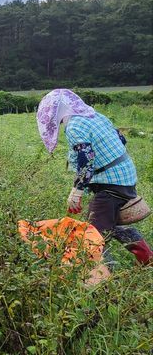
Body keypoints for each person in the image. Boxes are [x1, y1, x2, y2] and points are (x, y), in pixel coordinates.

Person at [37, 89, 151, 266]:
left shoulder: (74, 126)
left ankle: (105, 279)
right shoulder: (94, 115)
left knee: (93, 234)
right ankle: (147, 258)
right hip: (125, 176)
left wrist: (77, 190)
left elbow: (87, 159)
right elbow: (121, 139)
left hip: (111, 184)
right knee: (109, 224)